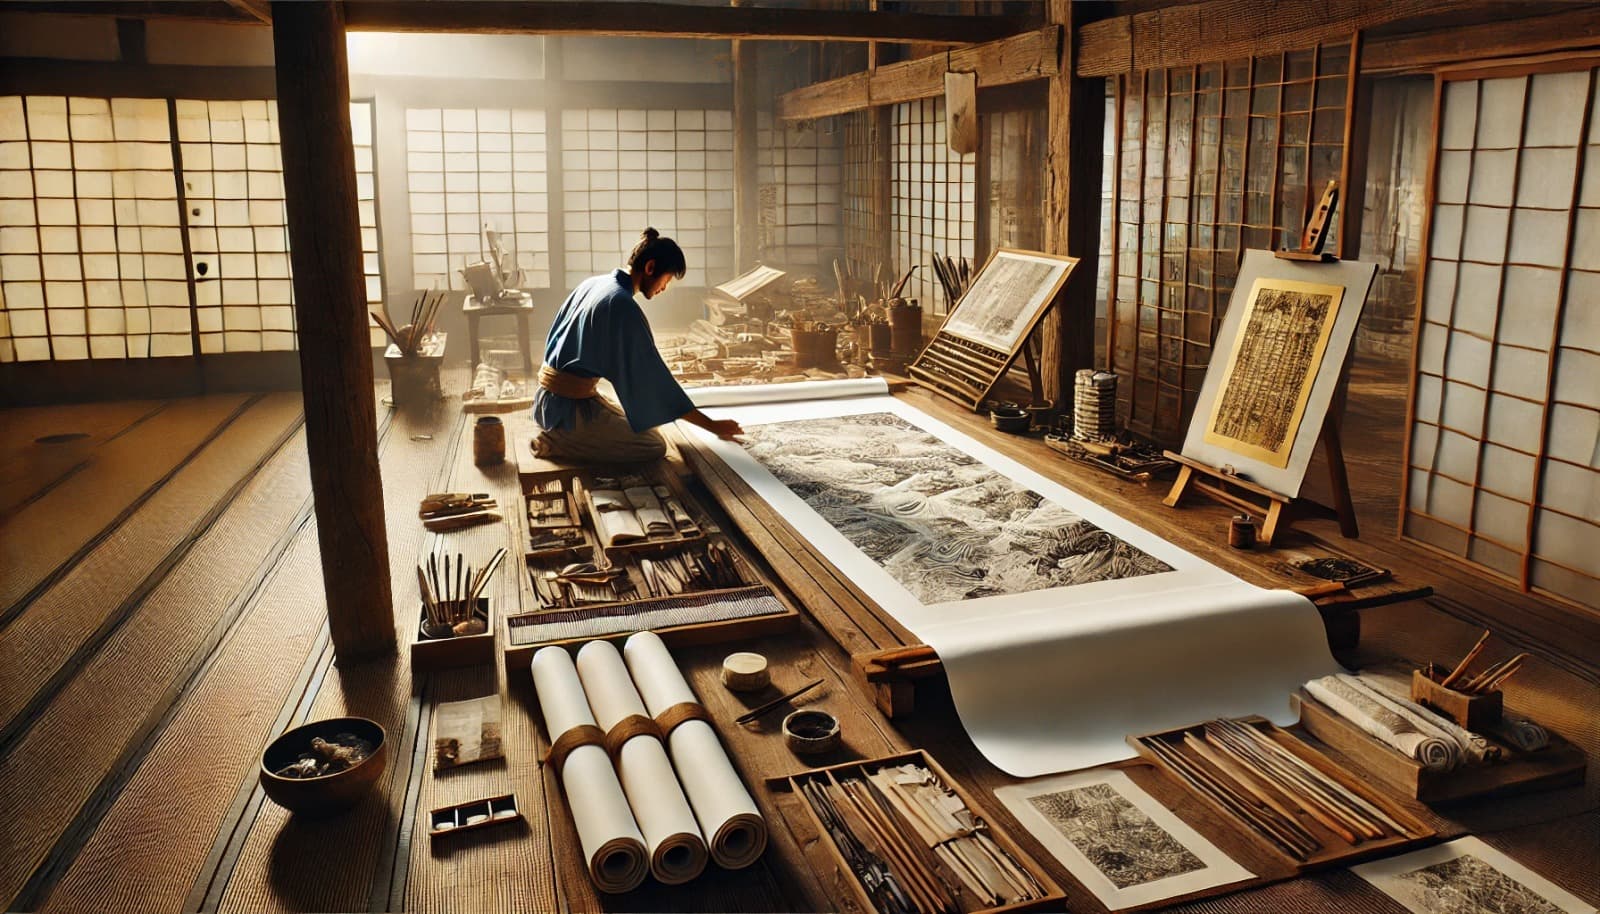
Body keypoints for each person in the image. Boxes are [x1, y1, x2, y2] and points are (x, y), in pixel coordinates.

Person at [531, 228, 743, 462]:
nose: (664, 288)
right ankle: (558, 441)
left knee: (645, 424)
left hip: (546, 400)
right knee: (653, 444)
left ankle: (566, 431)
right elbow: (653, 382)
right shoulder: (621, 305)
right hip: (568, 413)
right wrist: (712, 425)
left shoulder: (594, 284)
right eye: (667, 280)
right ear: (650, 268)